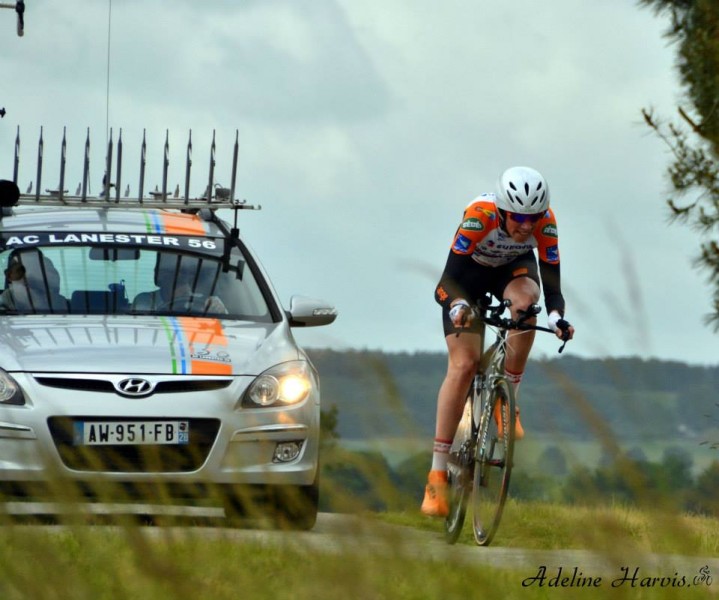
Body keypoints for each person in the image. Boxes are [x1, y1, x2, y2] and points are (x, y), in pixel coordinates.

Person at [421, 166, 575, 517]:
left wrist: (557, 318)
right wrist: (458, 305)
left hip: (513, 271)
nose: (526, 226)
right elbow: (445, 284)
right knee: (463, 367)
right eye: (519, 218)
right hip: (468, 277)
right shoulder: (478, 218)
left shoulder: (545, 224)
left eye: (533, 218)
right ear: (503, 211)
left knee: (526, 308)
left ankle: (507, 401)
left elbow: (552, 287)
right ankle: (437, 475)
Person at [132, 254, 227, 314]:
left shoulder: (201, 301)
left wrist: (218, 310)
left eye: (188, 281)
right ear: (161, 278)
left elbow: (224, 328)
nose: (186, 288)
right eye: (179, 281)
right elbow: (145, 321)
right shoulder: (145, 299)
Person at [0, 251, 69, 312]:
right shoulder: (3, 303)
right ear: (10, 277)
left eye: (36, 269)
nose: (28, 276)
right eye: (21, 272)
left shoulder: (63, 305)